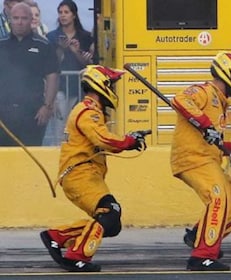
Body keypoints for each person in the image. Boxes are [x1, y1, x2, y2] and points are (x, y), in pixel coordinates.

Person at [38, 66, 147, 273]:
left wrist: (130, 139)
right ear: (101, 85)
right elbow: (103, 139)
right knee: (110, 212)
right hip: (80, 174)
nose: (113, 90)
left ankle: (57, 236)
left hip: (86, 175)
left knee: (112, 224)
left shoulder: (91, 111)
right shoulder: (88, 112)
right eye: (111, 85)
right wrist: (129, 141)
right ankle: (77, 256)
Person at [172, 52, 231, 271]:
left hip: (209, 160)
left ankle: (198, 236)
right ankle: (202, 257)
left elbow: (213, 138)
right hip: (193, 159)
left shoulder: (221, 102)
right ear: (228, 73)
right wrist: (204, 124)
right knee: (218, 198)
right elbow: (180, 99)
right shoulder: (204, 91)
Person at [0, 2, 57, 147]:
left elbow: (52, 76)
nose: (19, 22)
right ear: (10, 19)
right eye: (16, 18)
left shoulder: (44, 45)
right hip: (3, 114)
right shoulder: (1, 44)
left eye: (24, 18)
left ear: (31, 20)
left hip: (33, 114)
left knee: (30, 155)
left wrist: (47, 106)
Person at [42, 0, 94, 146]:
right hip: (60, 87)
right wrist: (61, 49)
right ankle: (60, 150)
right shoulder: (51, 37)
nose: (63, 15)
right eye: (60, 12)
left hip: (81, 88)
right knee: (60, 127)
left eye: (66, 12)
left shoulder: (85, 36)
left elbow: (88, 64)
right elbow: (51, 64)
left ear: (74, 15)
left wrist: (76, 51)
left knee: (80, 124)